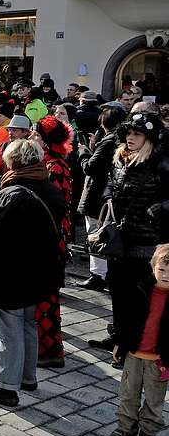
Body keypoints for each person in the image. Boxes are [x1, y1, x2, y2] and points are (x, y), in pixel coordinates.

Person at [0, 140, 67, 407]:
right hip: (38, 271)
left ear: (12, 162)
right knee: (26, 324)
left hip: (8, 274)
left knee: (8, 331)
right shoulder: (50, 188)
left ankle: (4, 387)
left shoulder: (10, 194)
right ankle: (26, 376)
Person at [103, 112, 169, 367]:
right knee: (118, 293)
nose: (130, 138)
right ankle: (119, 339)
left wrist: (161, 208)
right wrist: (108, 197)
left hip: (147, 242)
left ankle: (133, 347)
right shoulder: (120, 158)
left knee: (137, 298)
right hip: (120, 240)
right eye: (128, 133)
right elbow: (111, 182)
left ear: (148, 138)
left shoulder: (161, 161)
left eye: (137, 134)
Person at [108, 243, 169, 436]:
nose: (166, 275)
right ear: (153, 268)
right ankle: (126, 427)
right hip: (135, 353)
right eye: (161, 270)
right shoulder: (141, 289)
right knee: (128, 393)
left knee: (155, 399)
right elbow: (127, 321)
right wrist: (120, 344)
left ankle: (148, 432)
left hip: (159, 360)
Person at [32, 115, 75, 368]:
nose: (31, 138)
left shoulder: (56, 166)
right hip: (46, 237)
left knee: (47, 299)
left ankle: (51, 350)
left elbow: (57, 207)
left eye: (36, 135)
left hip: (51, 239)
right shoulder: (46, 162)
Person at [77, 107, 129, 296]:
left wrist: (83, 153)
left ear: (105, 125)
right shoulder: (121, 141)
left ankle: (98, 275)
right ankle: (101, 273)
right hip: (110, 196)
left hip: (99, 195)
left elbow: (91, 167)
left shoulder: (108, 142)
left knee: (97, 232)